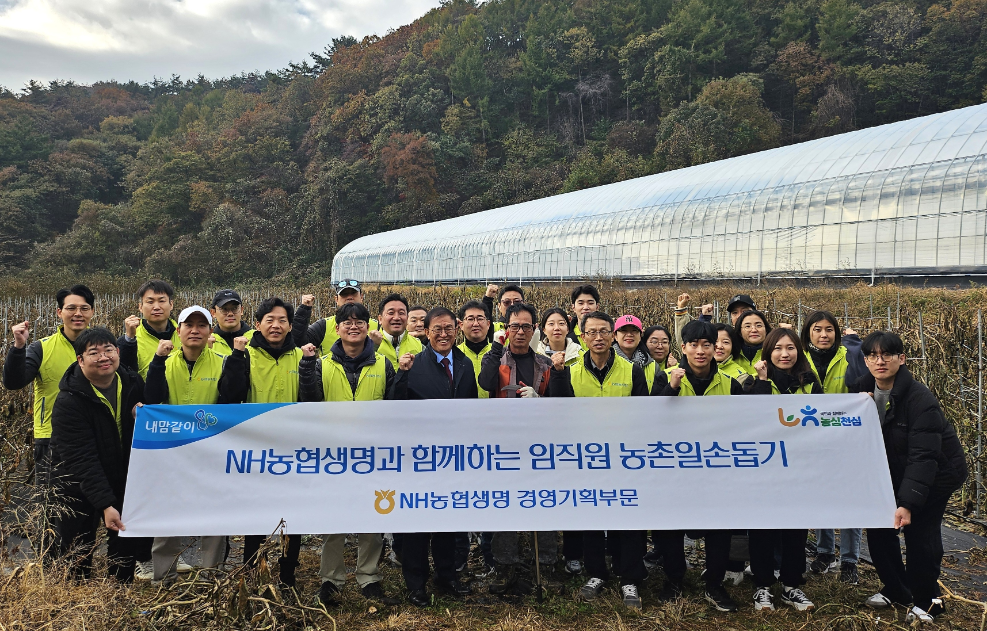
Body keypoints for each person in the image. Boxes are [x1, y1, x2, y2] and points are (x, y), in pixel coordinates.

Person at [852, 332, 967, 623]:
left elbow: (923, 456)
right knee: (879, 531)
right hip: (893, 472)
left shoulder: (919, 399)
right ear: (865, 361)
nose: (880, 361)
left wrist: (907, 503)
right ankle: (897, 589)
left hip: (936, 474)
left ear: (901, 359)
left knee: (920, 536)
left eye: (887, 355)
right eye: (873, 356)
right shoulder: (860, 393)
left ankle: (927, 602)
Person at [297, 301, 402, 607]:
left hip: (374, 454)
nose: (353, 326)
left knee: (373, 516)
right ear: (338, 328)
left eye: (360, 322)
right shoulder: (322, 363)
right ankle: (331, 579)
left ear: (369, 327)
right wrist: (305, 367)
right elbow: (311, 401)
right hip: (335, 455)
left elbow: (395, 406)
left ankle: (369, 577)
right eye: (347, 322)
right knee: (334, 519)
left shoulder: (383, 364)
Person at [548, 311, 650, 610]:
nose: (598, 337)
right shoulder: (571, 371)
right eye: (591, 332)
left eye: (604, 331)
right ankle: (596, 573)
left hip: (624, 458)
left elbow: (643, 415)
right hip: (587, 459)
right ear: (581, 337)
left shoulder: (632, 372)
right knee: (592, 516)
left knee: (628, 517)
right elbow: (561, 413)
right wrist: (556, 374)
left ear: (613, 336)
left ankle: (629, 575)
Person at [651, 320, 747, 612]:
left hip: (716, 469)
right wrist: (672, 388)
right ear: (684, 348)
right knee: (671, 526)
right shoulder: (665, 377)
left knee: (719, 527)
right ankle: (674, 579)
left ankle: (714, 585)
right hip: (674, 468)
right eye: (694, 345)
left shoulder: (731, 383)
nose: (701, 351)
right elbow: (650, 418)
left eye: (707, 345)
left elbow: (743, 425)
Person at [48, 327, 150, 581]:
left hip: (123, 476)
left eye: (109, 350)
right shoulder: (68, 400)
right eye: (94, 352)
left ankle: (119, 599)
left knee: (123, 547)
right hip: (77, 483)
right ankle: (76, 601)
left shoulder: (132, 383)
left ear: (118, 352)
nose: (104, 357)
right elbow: (81, 458)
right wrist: (105, 504)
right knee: (77, 550)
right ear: (80, 360)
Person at [218, 297, 305, 589]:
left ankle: (287, 574)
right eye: (269, 320)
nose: (276, 325)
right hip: (257, 449)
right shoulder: (247, 355)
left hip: (294, 449)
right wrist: (236, 358)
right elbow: (230, 396)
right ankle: (252, 571)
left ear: (291, 325)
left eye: (282, 320)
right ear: (257, 324)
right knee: (256, 512)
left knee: (294, 514)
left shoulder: (301, 357)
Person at [393, 307, 475, 606]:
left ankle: (447, 575)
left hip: (453, 455)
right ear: (426, 332)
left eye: (449, 328)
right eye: (437, 329)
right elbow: (395, 406)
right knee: (417, 523)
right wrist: (401, 375)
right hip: (420, 457)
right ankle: (416, 583)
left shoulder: (465, 364)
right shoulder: (413, 365)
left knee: (448, 518)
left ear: (458, 330)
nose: (444, 334)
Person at [144, 306, 229, 583]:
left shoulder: (224, 362)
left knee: (214, 514)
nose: (195, 330)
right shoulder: (162, 364)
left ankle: (211, 577)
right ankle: (164, 577)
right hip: (171, 453)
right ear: (177, 330)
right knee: (167, 513)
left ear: (210, 331)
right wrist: (157, 360)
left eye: (201, 325)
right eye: (188, 325)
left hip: (211, 452)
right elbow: (152, 400)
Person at [477, 303, 557, 593]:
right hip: (504, 445)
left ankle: (546, 564)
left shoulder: (545, 365)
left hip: (538, 446)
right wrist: (496, 350)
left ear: (535, 329)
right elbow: (485, 383)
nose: (520, 332)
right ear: (506, 329)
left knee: (544, 501)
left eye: (526, 326)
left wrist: (541, 401)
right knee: (505, 502)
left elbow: (559, 406)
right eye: (514, 327)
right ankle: (504, 565)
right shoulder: (495, 359)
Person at [746, 328, 821, 612]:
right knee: (762, 527)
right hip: (764, 467)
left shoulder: (810, 384)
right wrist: (763, 381)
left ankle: (792, 584)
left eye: (790, 348)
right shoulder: (754, 385)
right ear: (767, 353)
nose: (784, 354)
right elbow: (757, 419)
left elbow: (823, 420)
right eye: (777, 348)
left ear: (799, 352)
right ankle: (762, 586)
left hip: (798, 468)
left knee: (795, 528)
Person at [3, 284, 95, 490]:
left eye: (84, 308)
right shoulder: (41, 347)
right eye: (71, 308)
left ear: (92, 312)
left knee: (93, 503)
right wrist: (18, 347)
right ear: (59, 312)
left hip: (93, 435)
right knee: (50, 505)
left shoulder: (102, 348)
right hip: (51, 437)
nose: (78, 314)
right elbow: (13, 382)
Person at [800, 311, 865, 585]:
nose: (823, 335)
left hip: (846, 437)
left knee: (851, 497)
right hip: (811, 439)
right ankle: (825, 551)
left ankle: (850, 559)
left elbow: (863, 387)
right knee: (820, 495)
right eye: (817, 329)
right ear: (808, 333)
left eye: (829, 329)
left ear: (837, 334)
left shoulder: (850, 356)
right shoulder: (799, 359)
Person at [119, 280, 182, 380]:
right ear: (140, 307)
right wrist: (129, 339)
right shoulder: (132, 339)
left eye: (161, 301)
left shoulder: (184, 335)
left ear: (171, 305)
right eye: (150, 302)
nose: (156, 307)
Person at [301, 280, 379, 355]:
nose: (349, 297)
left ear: (361, 297)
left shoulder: (378, 326)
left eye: (353, 293)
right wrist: (304, 310)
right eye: (344, 294)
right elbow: (300, 341)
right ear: (336, 299)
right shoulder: (323, 325)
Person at [674, 293, 755, 346]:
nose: (739, 316)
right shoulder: (727, 336)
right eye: (734, 313)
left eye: (745, 311)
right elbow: (689, 343)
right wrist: (704, 320)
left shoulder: (764, 339)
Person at [373, 293, 423, 368]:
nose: (396, 318)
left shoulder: (419, 346)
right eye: (391, 313)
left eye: (401, 313)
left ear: (407, 318)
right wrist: (373, 346)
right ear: (380, 319)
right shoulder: (367, 344)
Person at [457, 300, 493, 400]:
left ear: (488, 324)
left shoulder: (499, 354)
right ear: (461, 325)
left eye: (480, 319)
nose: (476, 324)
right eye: (470, 319)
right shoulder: (454, 354)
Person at [208, 289, 255, 356]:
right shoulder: (208, 343)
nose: (230, 314)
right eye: (224, 309)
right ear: (213, 313)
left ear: (241, 310)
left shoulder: (257, 339)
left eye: (234, 308)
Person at [733, 309, 772, 376]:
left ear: (766, 330)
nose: (754, 330)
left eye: (759, 325)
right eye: (748, 326)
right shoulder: (732, 354)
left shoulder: (774, 354)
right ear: (740, 332)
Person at [568, 285, 601, 349]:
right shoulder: (564, 334)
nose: (586, 307)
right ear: (573, 307)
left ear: (597, 307)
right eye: (581, 303)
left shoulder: (608, 333)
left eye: (590, 303)